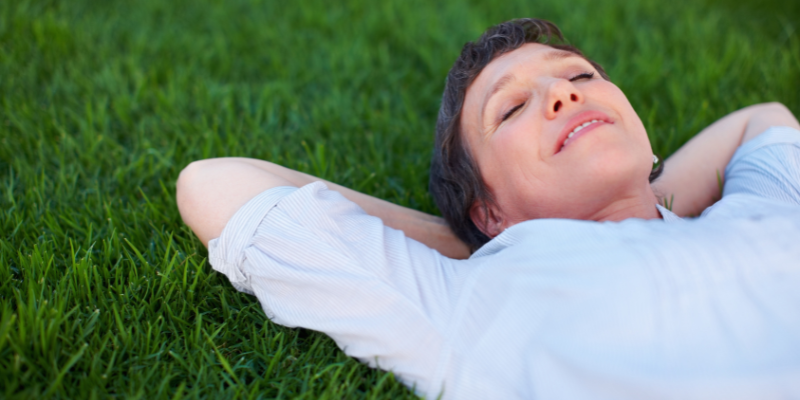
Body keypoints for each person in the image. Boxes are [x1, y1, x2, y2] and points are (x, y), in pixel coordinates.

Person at [176, 19, 800, 399]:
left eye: (579, 76)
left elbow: (765, 121)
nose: (562, 92)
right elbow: (216, 184)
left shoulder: (756, 212)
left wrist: (639, 195)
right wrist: (472, 244)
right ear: (489, 212)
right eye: (509, 109)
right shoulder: (474, 297)